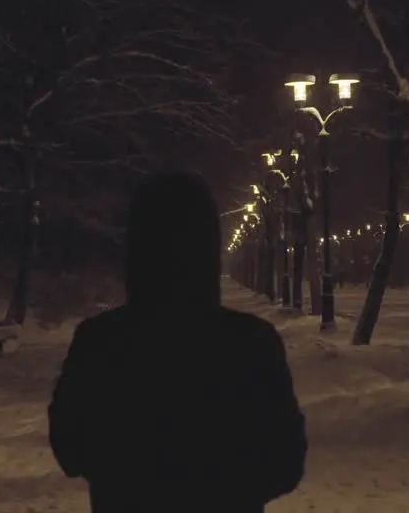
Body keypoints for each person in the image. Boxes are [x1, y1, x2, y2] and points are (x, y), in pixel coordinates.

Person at [48, 171, 307, 512]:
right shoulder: (251, 343)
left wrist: (125, 470)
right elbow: (284, 462)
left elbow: (70, 447)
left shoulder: (101, 342)